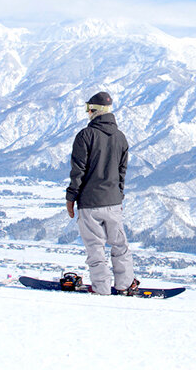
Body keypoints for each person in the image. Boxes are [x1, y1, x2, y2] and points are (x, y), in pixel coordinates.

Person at [65, 91, 138, 295]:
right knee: (120, 245)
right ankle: (124, 284)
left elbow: (77, 171)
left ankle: (101, 289)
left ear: (95, 110)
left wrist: (71, 198)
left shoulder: (85, 136)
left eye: (89, 109)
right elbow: (122, 173)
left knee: (95, 248)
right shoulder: (121, 137)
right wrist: (118, 196)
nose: (87, 112)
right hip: (114, 202)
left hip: (89, 203)